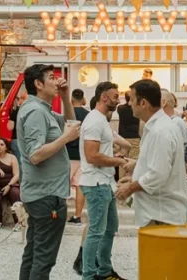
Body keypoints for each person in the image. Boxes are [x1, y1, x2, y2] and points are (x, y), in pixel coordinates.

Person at [16, 63, 79, 280]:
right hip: (45, 195)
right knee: (43, 259)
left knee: (34, 253)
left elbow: (72, 124)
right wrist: (65, 139)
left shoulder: (44, 109)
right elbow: (35, 155)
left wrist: (65, 96)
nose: (56, 81)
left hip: (44, 192)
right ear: (38, 84)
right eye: (51, 77)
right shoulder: (35, 112)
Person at [79, 81, 132, 280]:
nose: (118, 99)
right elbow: (92, 156)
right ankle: (89, 275)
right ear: (104, 97)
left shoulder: (101, 119)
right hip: (96, 183)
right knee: (96, 231)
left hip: (105, 182)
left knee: (110, 228)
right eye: (115, 96)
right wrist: (118, 160)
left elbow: (101, 152)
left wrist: (115, 155)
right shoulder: (94, 120)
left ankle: (104, 271)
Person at [117, 80, 187, 229]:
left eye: (131, 99)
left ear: (143, 103)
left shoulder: (160, 131)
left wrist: (130, 188)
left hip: (161, 216)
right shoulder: (157, 127)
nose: (129, 104)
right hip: (158, 215)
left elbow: (158, 174)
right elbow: (156, 165)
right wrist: (134, 177)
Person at [67, 88, 90, 225]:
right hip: (82, 154)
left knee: (63, 185)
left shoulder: (67, 114)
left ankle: (57, 213)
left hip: (68, 153)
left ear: (71, 99)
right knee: (79, 185)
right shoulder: (88, 115)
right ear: (83, 99)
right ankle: (77, 215)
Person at [116, 94, 141, 160]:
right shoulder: (137, 109)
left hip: (122, 136)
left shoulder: (120, 108)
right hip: (134, 136)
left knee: (122, 159)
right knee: (134, 159)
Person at [9, 88, 27, 165]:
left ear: (21, 100)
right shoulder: (31, 110)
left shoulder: (16, 111)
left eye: (18, 99)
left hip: (16, 140)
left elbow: (10, 127)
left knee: (18, 163)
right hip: (27, 141)